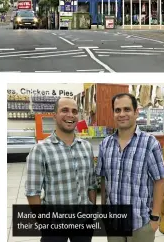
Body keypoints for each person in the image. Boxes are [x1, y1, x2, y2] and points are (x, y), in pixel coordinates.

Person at [96, 93, 164, 242]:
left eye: (127, 109)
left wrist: (155, 218)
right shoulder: (105, 144)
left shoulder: (150, 143)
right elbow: (104, 180)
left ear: (136, 112)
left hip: (140, 223)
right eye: (117, 110)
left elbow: (159, 181)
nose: (122, 114)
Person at [25, 97, 97, 242]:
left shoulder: (86, 146)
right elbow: (33, 192)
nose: (70, 115)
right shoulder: (40, 150)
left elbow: (91, 184)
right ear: (55, 115)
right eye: (64, 110)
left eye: (74, 111)